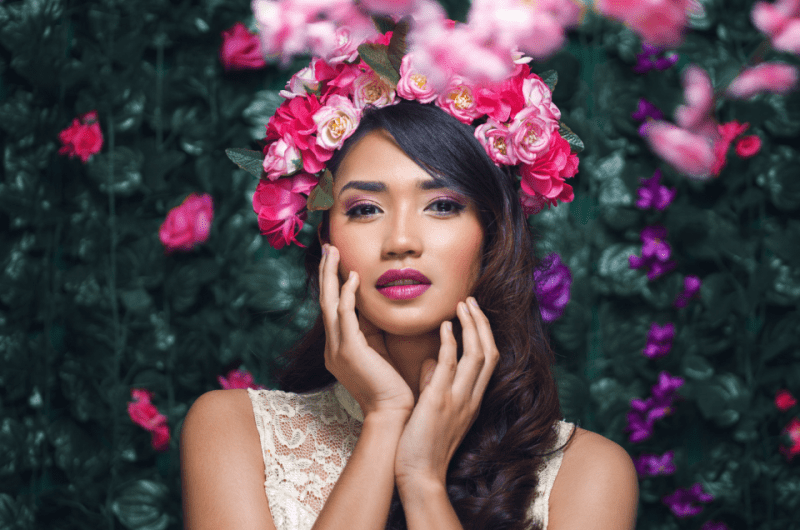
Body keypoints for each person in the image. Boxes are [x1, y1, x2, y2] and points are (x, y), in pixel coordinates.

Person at [181, 24, 639, 529]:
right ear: (326, 238)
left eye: (442, 205)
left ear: (493, 233)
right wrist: (384, 418)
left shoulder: (588, 474)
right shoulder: (232, 431)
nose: (401, 240)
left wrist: (421, 478)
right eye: (365, 209)